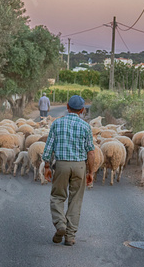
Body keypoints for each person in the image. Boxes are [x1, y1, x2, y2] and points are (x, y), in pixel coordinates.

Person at [42, 95, 95, 246]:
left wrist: (47, 166)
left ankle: (60, 225)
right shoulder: (86, 126)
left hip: (61, 165)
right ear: (82, 110)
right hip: (79, 166)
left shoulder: (57, 123)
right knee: (76, 199)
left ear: (67, 106)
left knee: (58, 196)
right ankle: (70, 236)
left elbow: (48, 147)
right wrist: (91, 172)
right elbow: (91, 152)